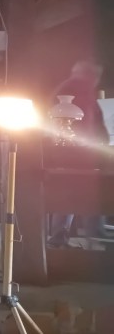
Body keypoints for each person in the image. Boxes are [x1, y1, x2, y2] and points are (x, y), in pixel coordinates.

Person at [47, 60, 109, 248]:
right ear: (88, 75)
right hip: (73, 155)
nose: (96, 80)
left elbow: (97, 121)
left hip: (81, 154)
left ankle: (82, 236)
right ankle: (81, 237)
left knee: (79, 196)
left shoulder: (83, 91)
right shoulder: (71, 91)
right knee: (77, 196)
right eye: (95, 76)